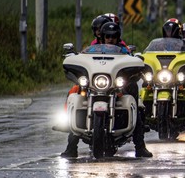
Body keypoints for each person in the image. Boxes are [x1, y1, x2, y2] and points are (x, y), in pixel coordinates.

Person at [61, 22, 153, 158]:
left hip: (117, 86)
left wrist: (137, 64)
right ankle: (71, 147)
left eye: (114, 36)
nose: (110, 39)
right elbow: (82, 59)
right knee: (76, 98)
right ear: (102, 37)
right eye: (107, 36)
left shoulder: (124, 51)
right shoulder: (92, 49)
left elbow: (134, 61)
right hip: (94, 85)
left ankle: (140, 146)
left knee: (135, 102)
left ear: (118, 37)